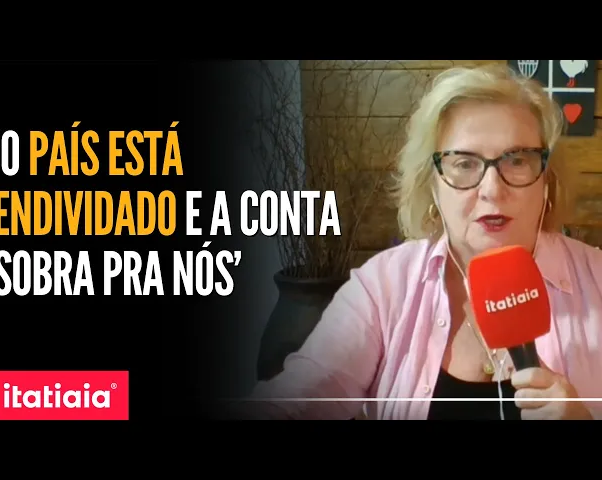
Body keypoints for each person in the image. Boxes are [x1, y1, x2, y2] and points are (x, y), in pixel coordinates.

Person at [230, 63, 602, 420]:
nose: (492, 189)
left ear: (547, 180)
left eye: (517, 160)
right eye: (464, 163)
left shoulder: (597, 278)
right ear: (432, 184)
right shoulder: (383, 286)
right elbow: (295, 399)